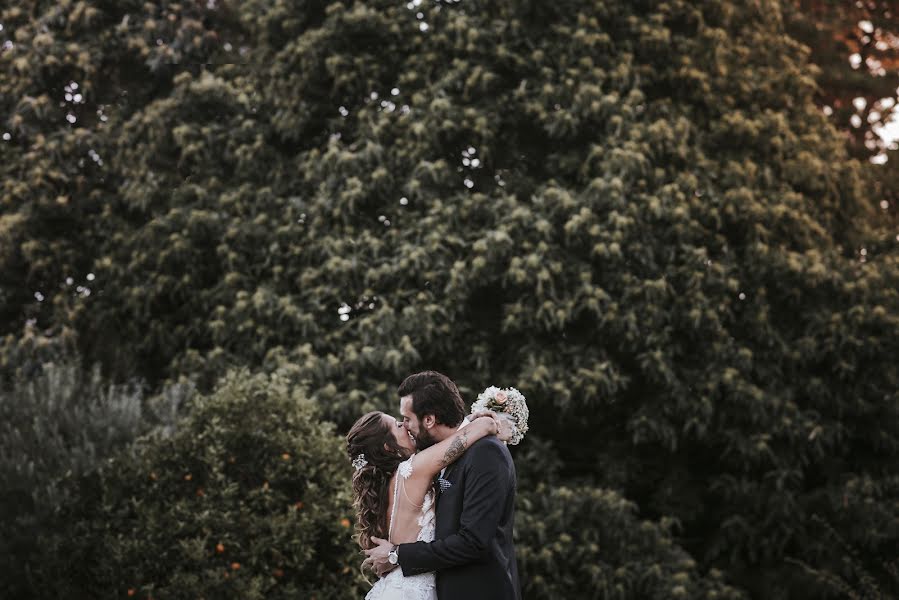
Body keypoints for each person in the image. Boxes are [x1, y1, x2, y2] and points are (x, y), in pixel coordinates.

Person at [346, 376, 510, 600]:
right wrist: (484, 423)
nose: (405, 425)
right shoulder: (412, 470)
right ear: (387, 446)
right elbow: (461, 440)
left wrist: (468, 420)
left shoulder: (390, 482)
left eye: (405, 419)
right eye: (398, 424)